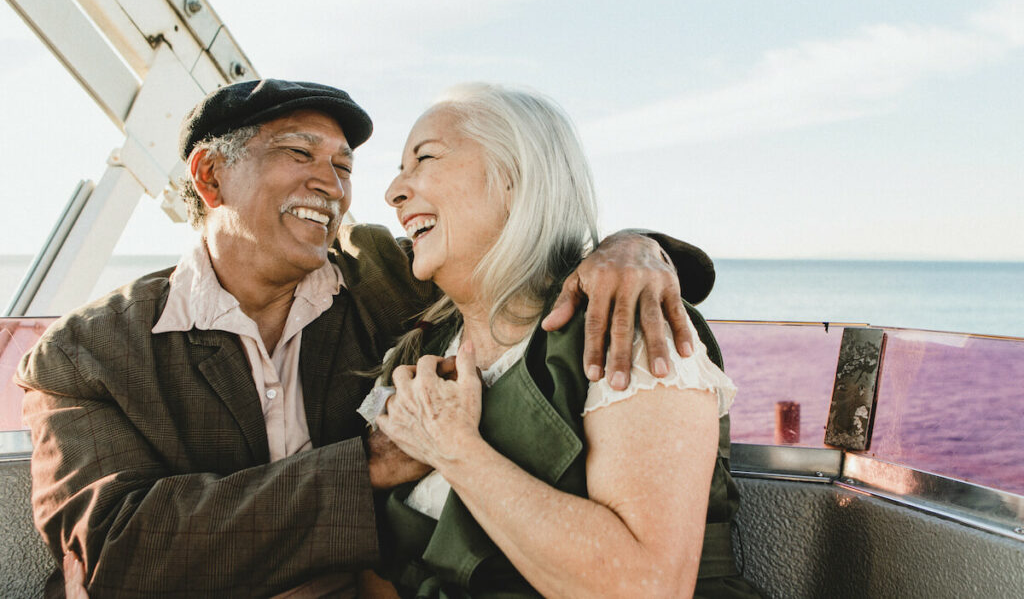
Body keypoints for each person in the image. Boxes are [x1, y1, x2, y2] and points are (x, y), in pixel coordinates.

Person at [17, 79, 718, 597]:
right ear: (209, 176)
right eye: (300, 153)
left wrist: (634, 247)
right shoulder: (84, 356)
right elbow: (120, 554)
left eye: (344, 167)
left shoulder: (382, 282)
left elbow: (515, 262)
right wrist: (371, 462)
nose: (335, 185)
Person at [361, 83, 759, 597]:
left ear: (517, 179)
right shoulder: (415, 352)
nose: (393, 191)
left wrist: (453, 447)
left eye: (425, 158)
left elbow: (646, 587)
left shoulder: (623, 324)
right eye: (398, 169)